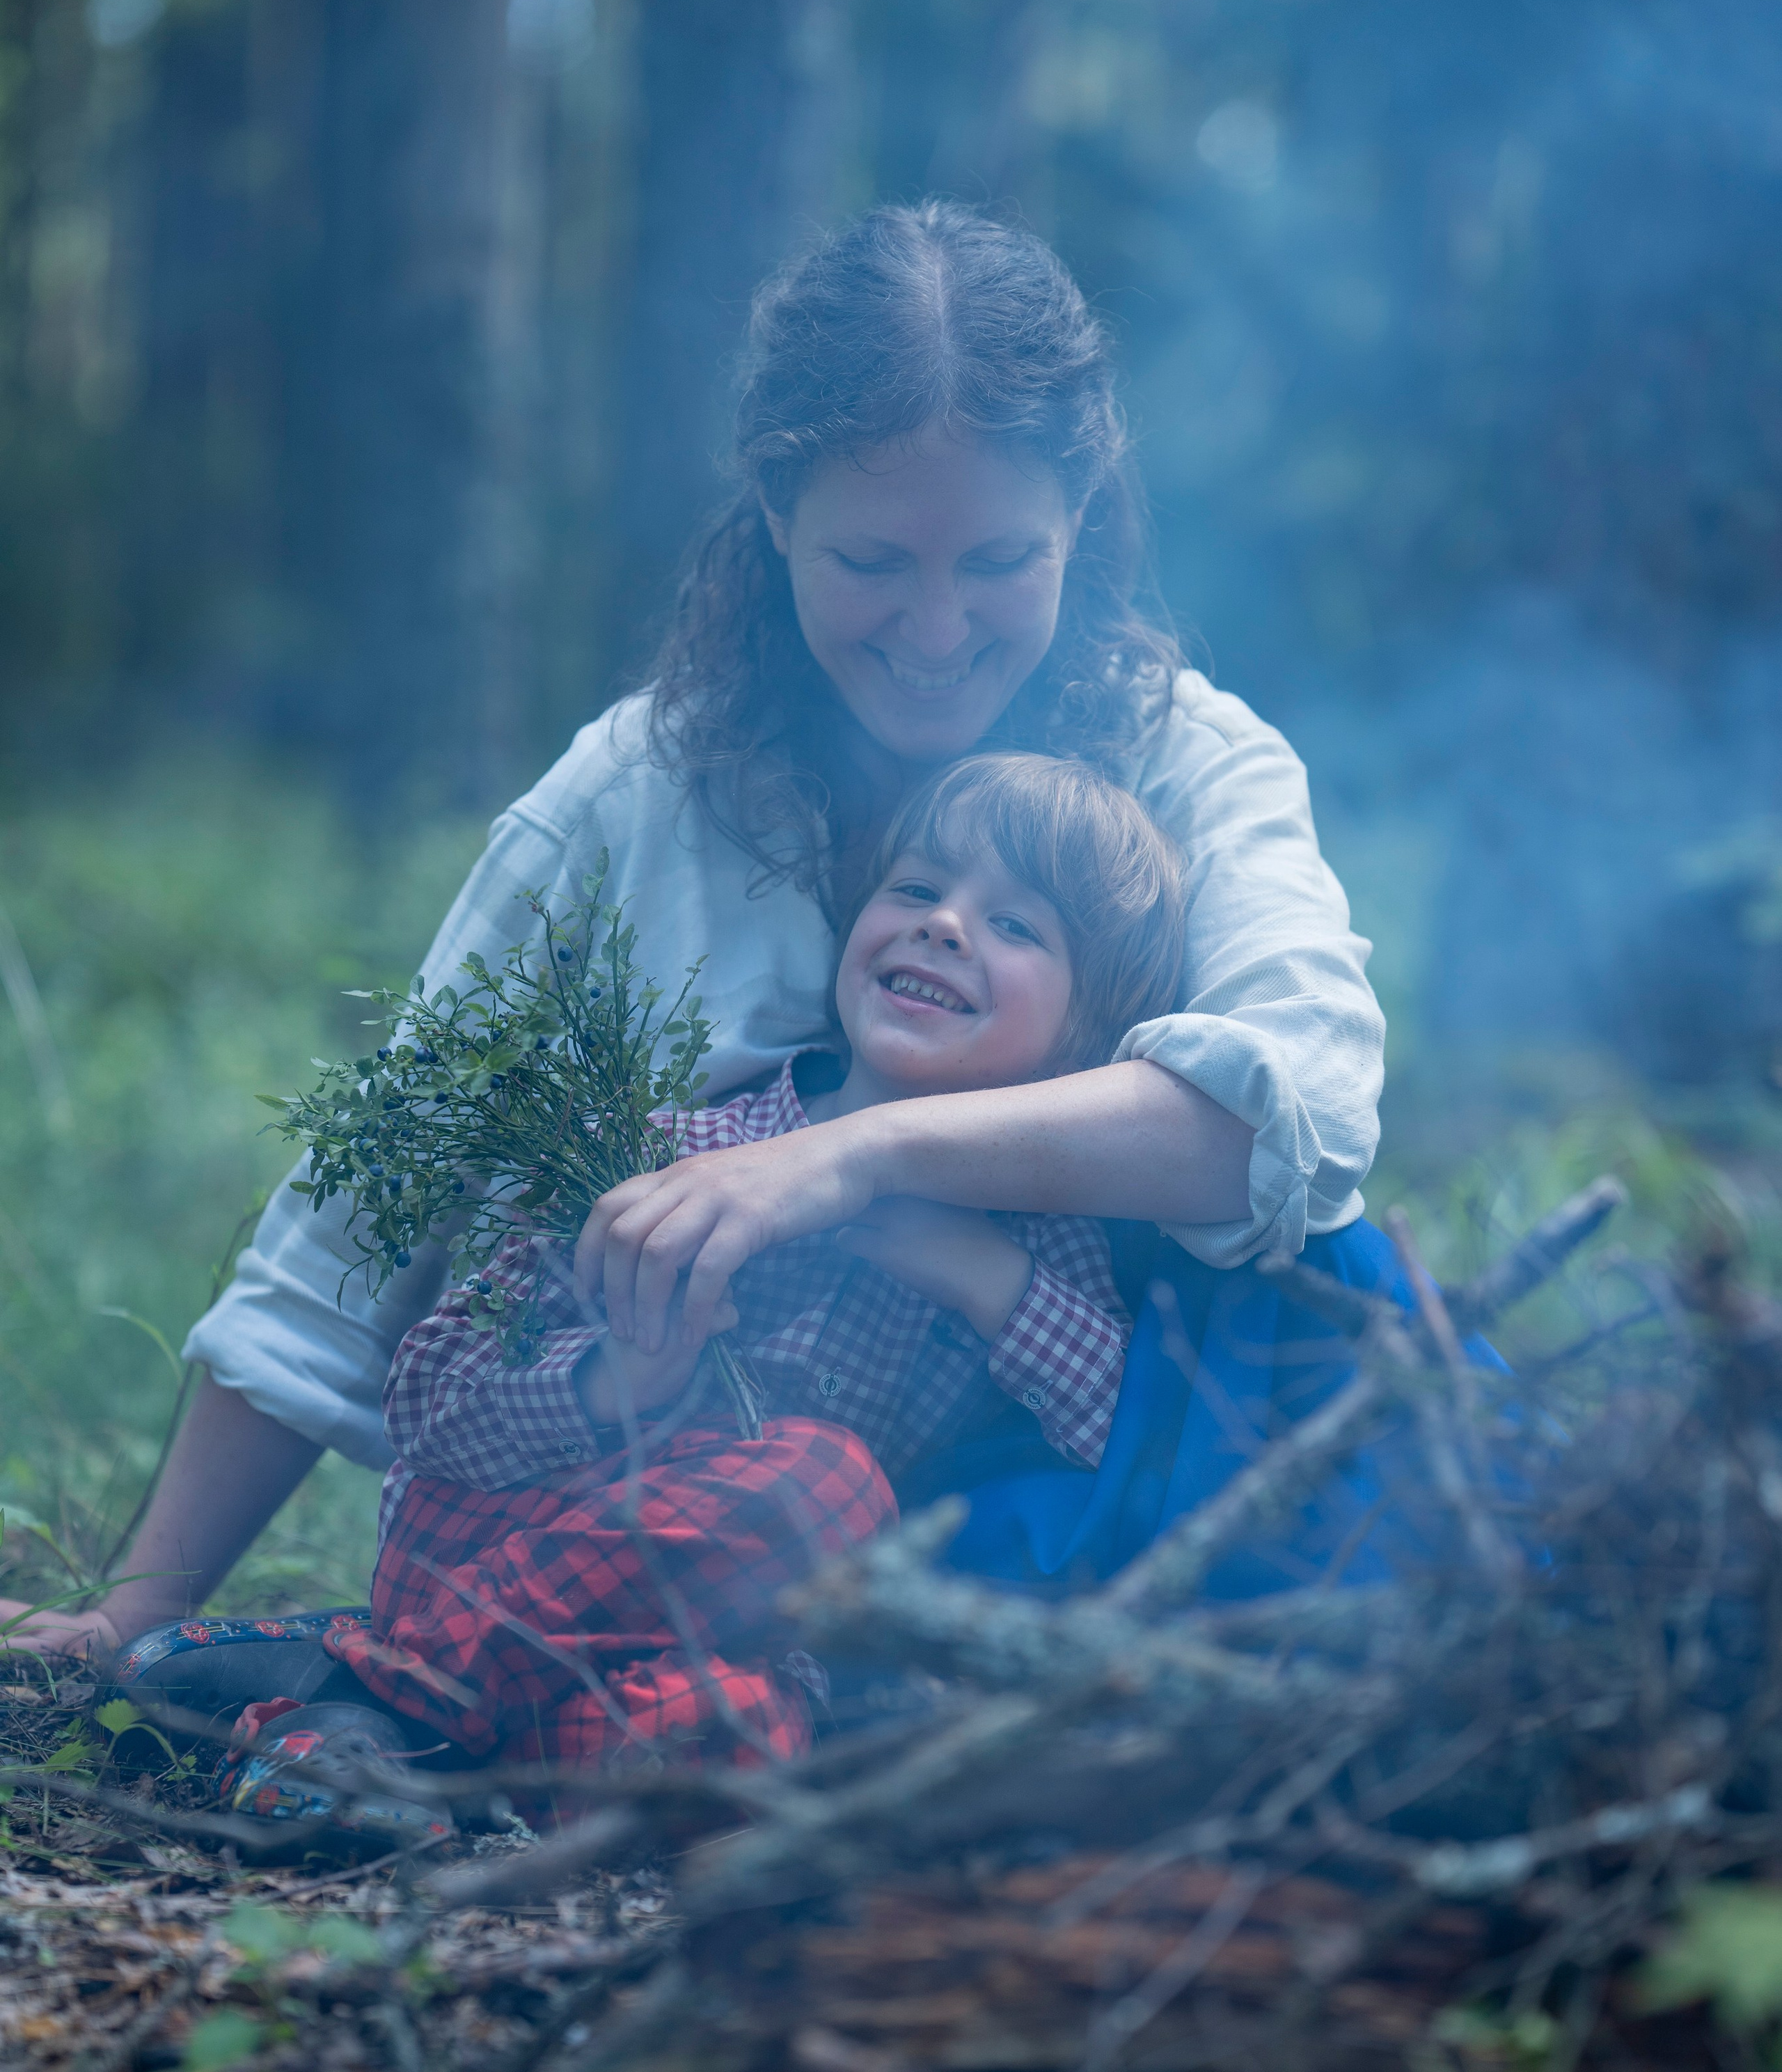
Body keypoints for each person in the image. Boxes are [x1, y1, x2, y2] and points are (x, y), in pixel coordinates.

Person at [0, 199, 1385, 1665]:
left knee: (1361, 1296)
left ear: (1082, 517)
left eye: (996, 563)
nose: (933, 631)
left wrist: (849, 1158)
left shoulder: (1191, 766)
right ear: (776, 513)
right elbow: (369, 1210)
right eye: (869, 564)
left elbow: (1294, 1126)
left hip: (1090, 1496)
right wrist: (146, 1599)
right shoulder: (630, 798)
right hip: (695, 1508)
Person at [167, 753, 1190, 1805]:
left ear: (1084, 1038)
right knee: (820, 1481)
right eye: (918, 889)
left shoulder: (1046, 1242)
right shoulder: (670, 1150)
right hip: (494, 1541)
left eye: (1017, 927)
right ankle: (389, 1672)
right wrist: (616, 1379)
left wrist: (984, 1276)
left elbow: (1132, 1449)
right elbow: (428, 1403)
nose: (945, 925)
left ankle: (358, 1726)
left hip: (715, 1636)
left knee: (735, 1735)